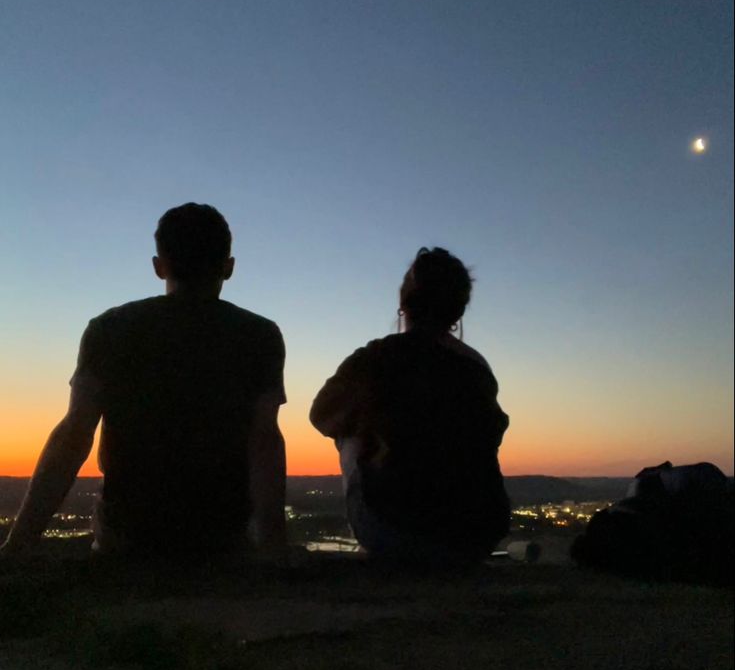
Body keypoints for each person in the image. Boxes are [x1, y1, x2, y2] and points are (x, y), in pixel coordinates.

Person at [1, 203, 287, 565]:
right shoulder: (259, 335)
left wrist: (20, 542)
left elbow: (74, 434)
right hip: (222, 538)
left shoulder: (111, 327)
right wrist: (274, 542)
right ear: (228, 267)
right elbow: (264, 440)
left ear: (159, 266)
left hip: (127, 537)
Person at [310, 247, 510, 569]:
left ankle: (383, 511)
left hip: (397, 536)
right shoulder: (477, 367)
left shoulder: (375, 358)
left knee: (347, 427)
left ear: (404, 302)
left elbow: (321, 417)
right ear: (458, 311)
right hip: (478, 536)